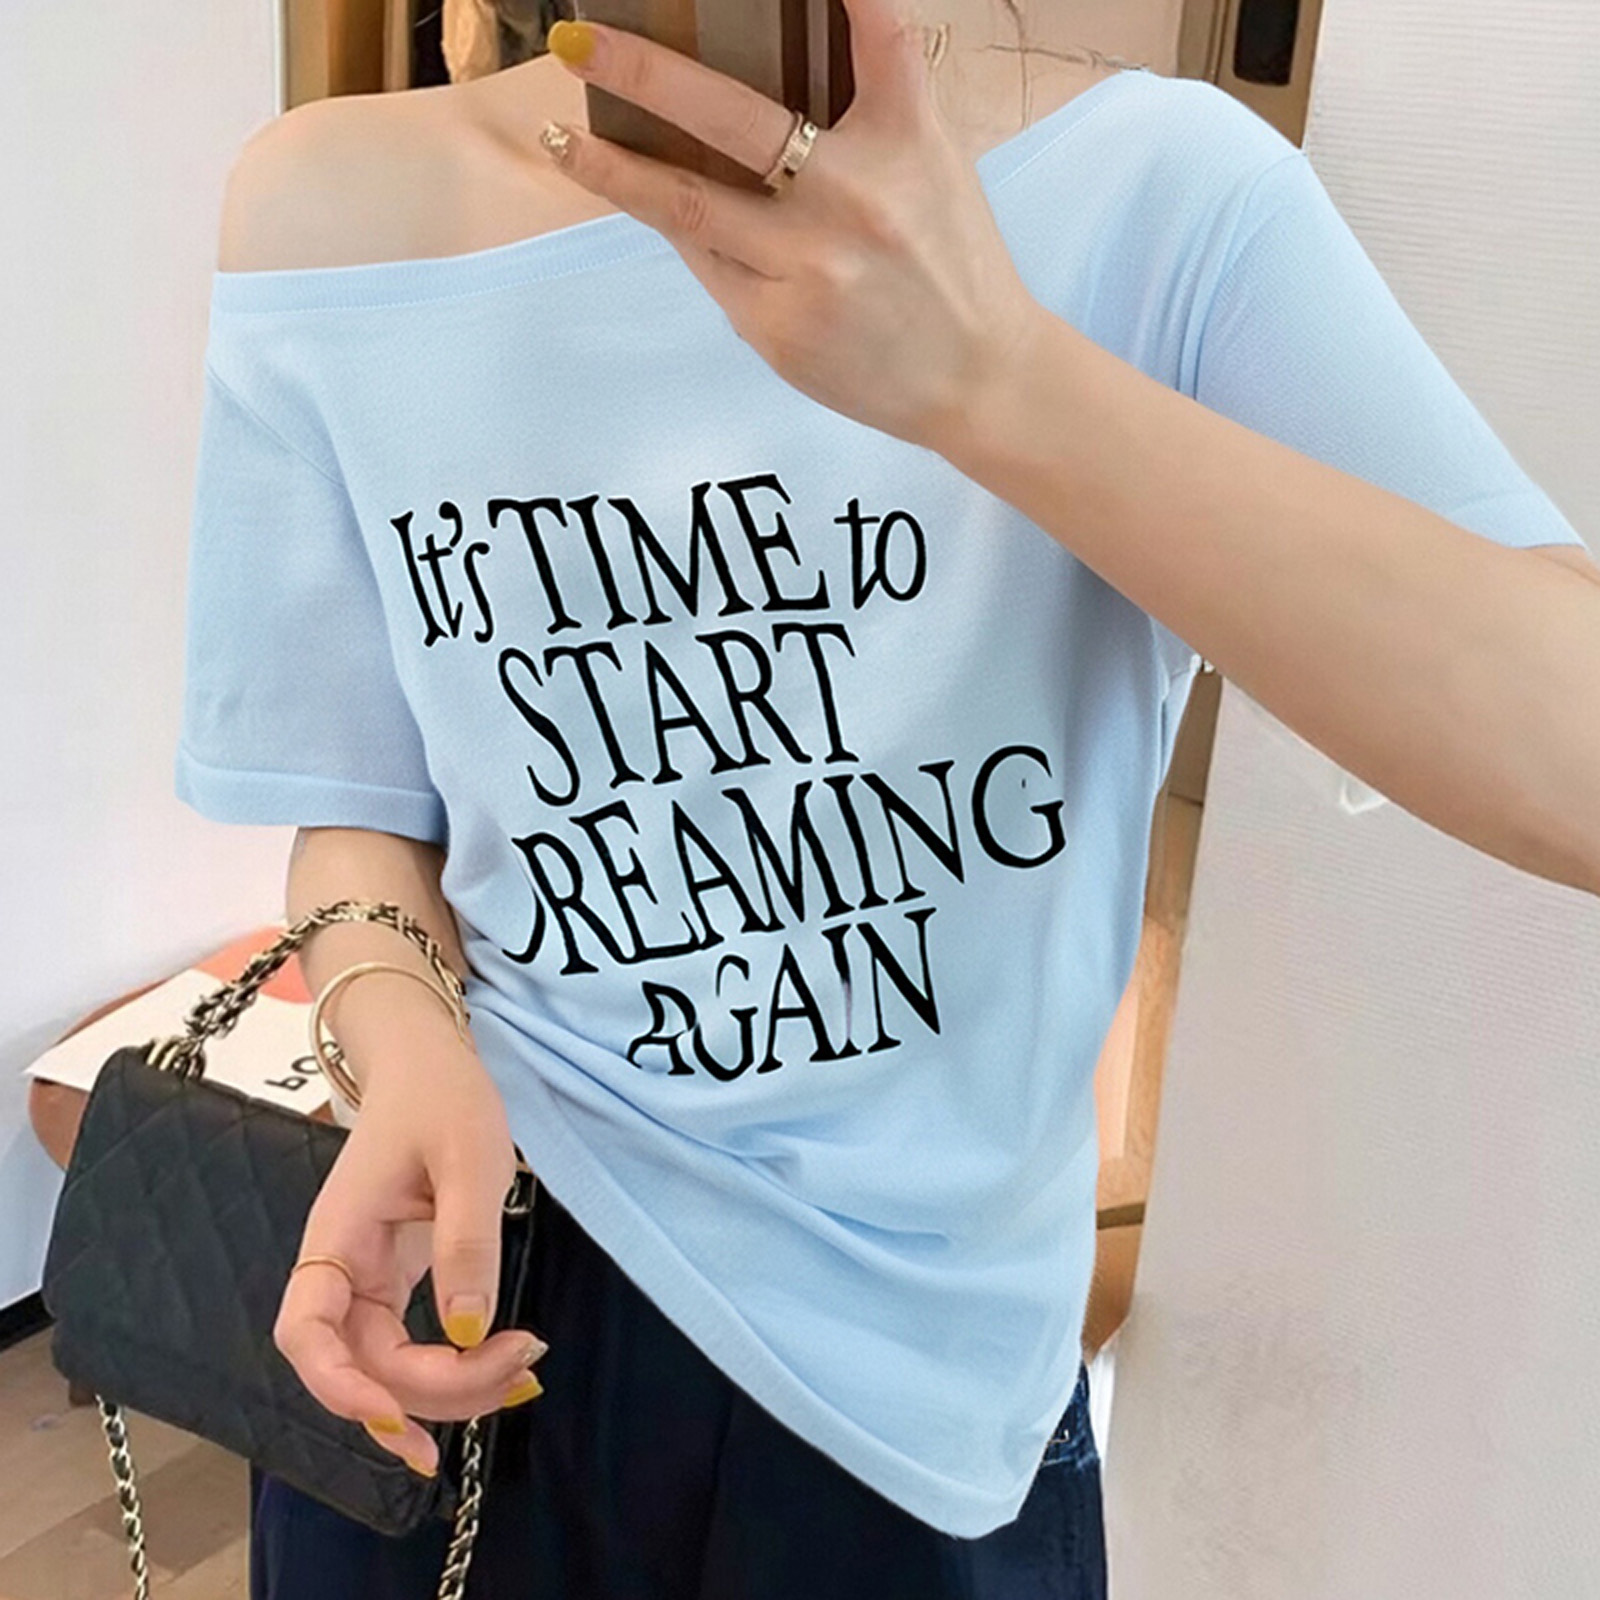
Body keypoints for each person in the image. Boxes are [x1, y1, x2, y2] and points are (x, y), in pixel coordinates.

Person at [178, 0, 1600, 1595]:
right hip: (469, 1285)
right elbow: (361, 807)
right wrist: (400, 1030)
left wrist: (995, 376)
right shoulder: (328, 210)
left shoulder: (1160, 196)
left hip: (910, 1402)